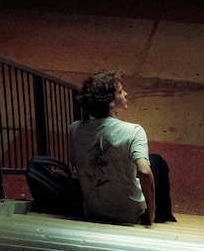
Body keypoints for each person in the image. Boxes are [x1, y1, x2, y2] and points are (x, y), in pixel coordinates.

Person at [68, 70, 176, 226]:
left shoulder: (75, 128)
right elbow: (144, 172)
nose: (126, 93)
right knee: (157, 162)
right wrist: (151, 210)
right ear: (110, 102)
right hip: (129, 214)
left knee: (149, 161)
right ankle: (162, 216)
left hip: (93, 210)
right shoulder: (133, 131)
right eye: (120, 91)